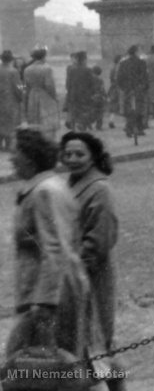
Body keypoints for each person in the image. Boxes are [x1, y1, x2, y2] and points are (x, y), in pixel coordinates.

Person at [6, 129, 91, 368]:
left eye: (16, 152)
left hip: (47, 297)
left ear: (30, 157)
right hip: (53, 291)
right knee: (59, 368)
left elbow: (55, 248)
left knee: (28, 367)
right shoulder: (50, 185)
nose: (11, 158)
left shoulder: (44, 191)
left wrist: (44, 305)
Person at [60, 131, 121, 390]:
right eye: (68, 154)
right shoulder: (69, 184)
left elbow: (99, 241)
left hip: (92, 278)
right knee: (88, 346)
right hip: (73, 278)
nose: (72, 159)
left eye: (80, 154)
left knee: (95, 346)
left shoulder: (99, 189)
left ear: (93, 157)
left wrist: (75, 269)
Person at [23, 47, 59, 141]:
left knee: (35, 118)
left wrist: (27, 97)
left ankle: (36, 139)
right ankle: (47, 140)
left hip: (32, 95)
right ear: (43, 57)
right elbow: (49, 85)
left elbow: (25, 86)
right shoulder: (47, 68)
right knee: (47, 118)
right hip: (44, 95)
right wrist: (54, 97)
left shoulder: (27, 69)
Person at [116, 44, 149, 138]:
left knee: (129, 109)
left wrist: (124, 88)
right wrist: (145, 87)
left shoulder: (123, 63)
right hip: (138, 89)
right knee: (139, 109)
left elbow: (119, 78)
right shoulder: (141, 63)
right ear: (136, 52)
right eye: (139, 51)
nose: (141, 53)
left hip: (127, 90)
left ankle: (129, 127)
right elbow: (144, 77)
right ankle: (138, 128)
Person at [65, 51, 97, 131]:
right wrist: (93, 92)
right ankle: (82, 124)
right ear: (84, 59)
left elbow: (68, 83)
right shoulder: (88, 70)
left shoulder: (71, 70)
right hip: (85, 94)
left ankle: (73, 125)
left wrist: (69, 91)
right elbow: (92, 83)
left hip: (73, 93)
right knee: (85, 110)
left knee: (74, 109)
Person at [0, 50, 24, 150]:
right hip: (10, 100)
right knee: (10, 122)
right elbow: (19, 87)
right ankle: (9, 145)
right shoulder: (13, 71)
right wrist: (21, 96)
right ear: (11, 60)